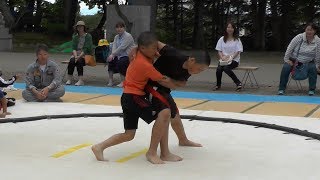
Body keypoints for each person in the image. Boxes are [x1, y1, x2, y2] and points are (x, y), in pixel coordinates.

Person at [92, 32, 181, 164]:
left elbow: (148, 50)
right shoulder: (144, 64)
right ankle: (153, 152)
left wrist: (150, 50)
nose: (155, 51)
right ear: (143, 48)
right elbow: (163, 80)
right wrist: (179, 83)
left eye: (156, 48)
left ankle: (99, 147)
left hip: (127, 97)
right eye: (153, 49)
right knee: (164, 114)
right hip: (134, 97)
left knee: (129, 134)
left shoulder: (139, 53)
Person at [146, 41, 211, 148]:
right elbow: (153, 41)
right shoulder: (174, 54)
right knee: (165, 113)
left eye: (201, 71)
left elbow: (182, 83)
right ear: (192, 60)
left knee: (175, 114)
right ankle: (154, 150)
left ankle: (183, 140)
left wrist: (171, 82)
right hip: (151, 86)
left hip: (164, 89)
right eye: (199, 69)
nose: (199, 72)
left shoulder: (189, 70)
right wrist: (138, 49)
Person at [278, 23, 320, 96]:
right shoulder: (299, 37)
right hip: (295, 60)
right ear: (305, 30)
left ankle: (311, 90)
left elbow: (317, 54)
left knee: (313, 68)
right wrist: (287, 60)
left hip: (309, 61)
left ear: (315, 31)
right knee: (286, 67)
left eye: (311, 30)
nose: (309, 32)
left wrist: (317, 65)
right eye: (308, 30)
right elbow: (289, 48)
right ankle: (281, 89)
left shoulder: (318, 41)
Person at [214, 22, 243, 91]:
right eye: (228, 27)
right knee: (219, 69)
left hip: (234, 60)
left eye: (231, 27)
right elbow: (219, 50)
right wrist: (222, 57)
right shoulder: (222, 39)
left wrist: (231, 58)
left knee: (226, 68)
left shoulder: (237, 40)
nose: (230, 29)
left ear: (234, 29)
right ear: (226, 29)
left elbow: (238, 51)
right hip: (223, 60)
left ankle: (238, 83)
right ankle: (218, 85)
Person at [106, 22, 135, 87]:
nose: (119, 29)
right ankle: (111, 80)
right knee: (111, 60)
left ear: (124, 28)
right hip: (119, 55)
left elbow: (122, 47)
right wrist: (112, 55)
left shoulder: (128, 36)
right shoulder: (116, 37)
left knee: (121, 62)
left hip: (128, 56)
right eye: (117, 27)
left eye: (121, 27)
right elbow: (114, 46)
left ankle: (123, 81)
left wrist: (113, 54)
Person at [66, 21, 93, 86]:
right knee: (72, 61)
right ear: (76, 28)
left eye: (81, 26)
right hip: (76, 54)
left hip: (86, 55)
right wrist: (75, 56)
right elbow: (73, 48)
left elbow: (86, 48)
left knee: (79, 61)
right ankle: (69, 78)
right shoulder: (75, 36)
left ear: (84, 27)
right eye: (78, 26)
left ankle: (80, 80)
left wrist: (79, 56)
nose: (80, 28)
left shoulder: (88, 36)